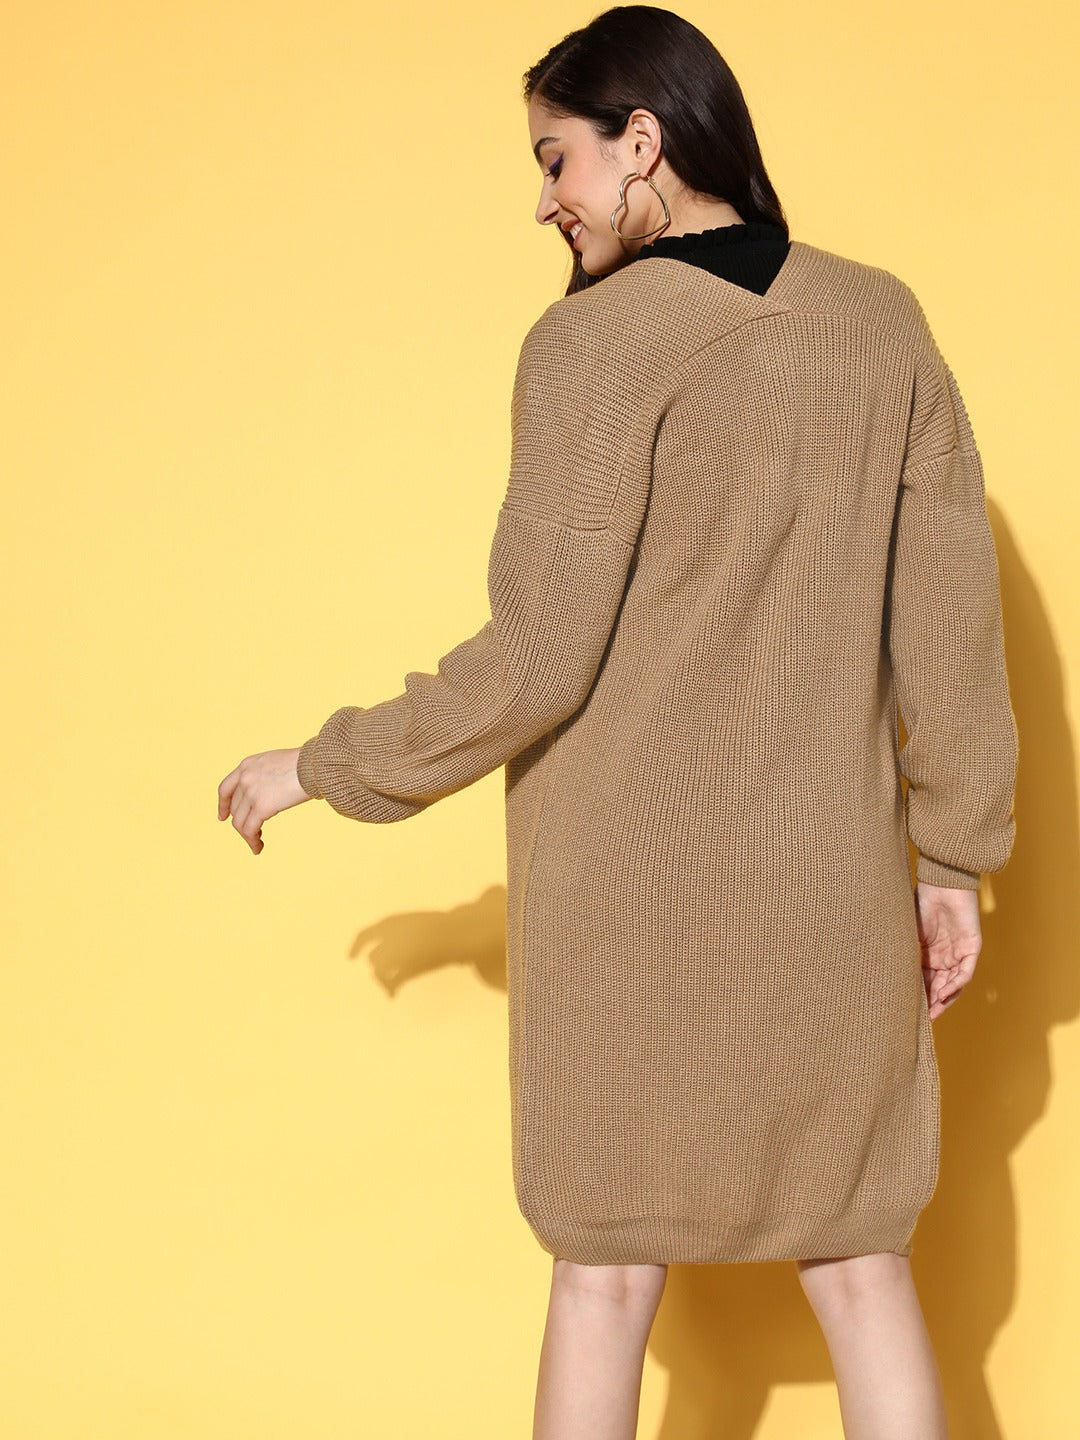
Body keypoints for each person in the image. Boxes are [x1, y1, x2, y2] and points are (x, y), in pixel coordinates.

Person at [217, 6, 1018, 1437]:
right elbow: (950, 625)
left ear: (641, 141)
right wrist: (951, 860)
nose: (545, 202)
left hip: (626, 898)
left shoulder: (593, 346)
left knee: (602, 1270)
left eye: (556, 160)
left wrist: (324, 765)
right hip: (830, 886)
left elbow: (538, 655)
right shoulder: (882, 322)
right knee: (859, 1258)